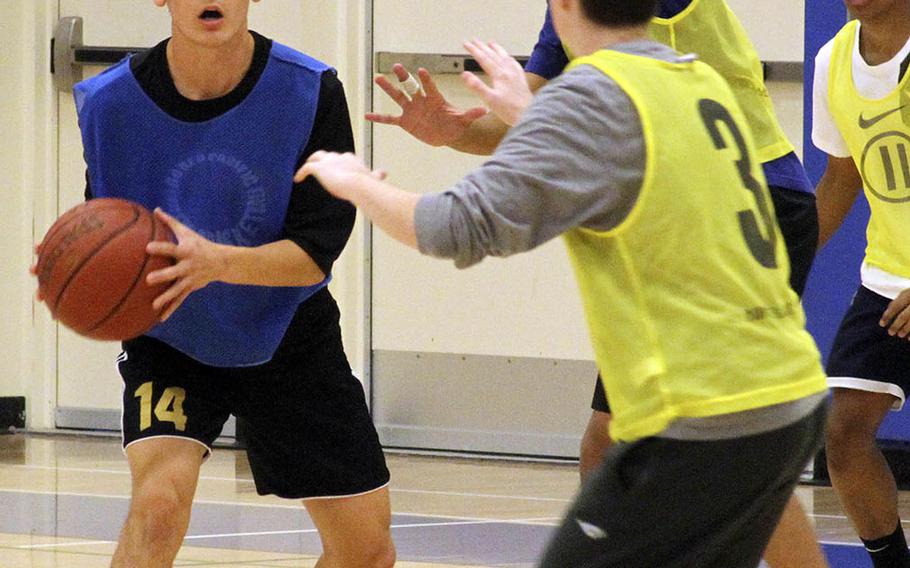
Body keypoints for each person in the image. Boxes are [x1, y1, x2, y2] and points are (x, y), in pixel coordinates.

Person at [300, 0, 829, 565]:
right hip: (791, 397)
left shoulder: (591, 95)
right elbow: (635, 160)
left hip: (702, 416)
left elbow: (454, 225)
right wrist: (530, 114)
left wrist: (355, 181)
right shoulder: (694, 77)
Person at [34, 1, 395, 566]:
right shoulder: (110, 104)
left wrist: (215, 263)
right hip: (170, 340)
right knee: (157, 508)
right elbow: (105, 230)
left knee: (366, 552)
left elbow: (314, 251)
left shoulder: (310, 91)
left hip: (287, 335)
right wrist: (76, 278)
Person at [812, 0, 910, 566]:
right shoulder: (833, 59)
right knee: (844, 436)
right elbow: (840, 179)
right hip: (886, 278)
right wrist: (780, 271)